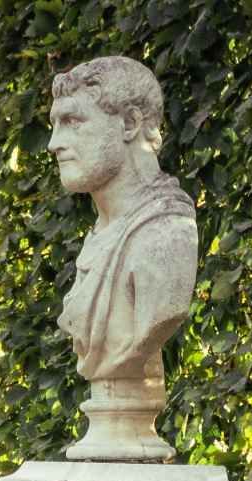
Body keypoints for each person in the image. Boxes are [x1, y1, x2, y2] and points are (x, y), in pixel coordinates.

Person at [48, 56, 196, 389]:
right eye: (55, 124)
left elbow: (163, 314)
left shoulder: (164, 234)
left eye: (72, 120)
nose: (53, 143)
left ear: (129, 123)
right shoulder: (104, 232)